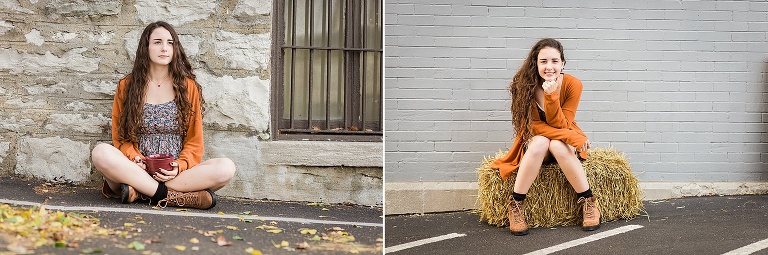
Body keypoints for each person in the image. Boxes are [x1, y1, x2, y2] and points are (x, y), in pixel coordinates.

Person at [91, 21, 236, 210]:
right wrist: (136, 159)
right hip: (134, 170)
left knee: (226, 168)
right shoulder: (127, 86)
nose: (164, 48)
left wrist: (179, 166)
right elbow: (120, 138)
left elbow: (195, 141)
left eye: (170, 43)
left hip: (175, 175)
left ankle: (141, 192)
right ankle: (169, 196)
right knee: (101, 152)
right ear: (146, 47)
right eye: (158, 42)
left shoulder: (187, 87)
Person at [491, 38, 598, 235]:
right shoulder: (523, 85)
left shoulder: (573, 84)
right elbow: (532, 126)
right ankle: (515, 205)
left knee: (557, 144)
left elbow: (564, 123)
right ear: (536, 63)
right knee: (541, 142)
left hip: (562, 141)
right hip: (536, 141)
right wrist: (573, 138)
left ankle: (588, 202)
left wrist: (552, 96)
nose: (549, 67)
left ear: (563, 63)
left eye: (555, 61)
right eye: (543, 61)